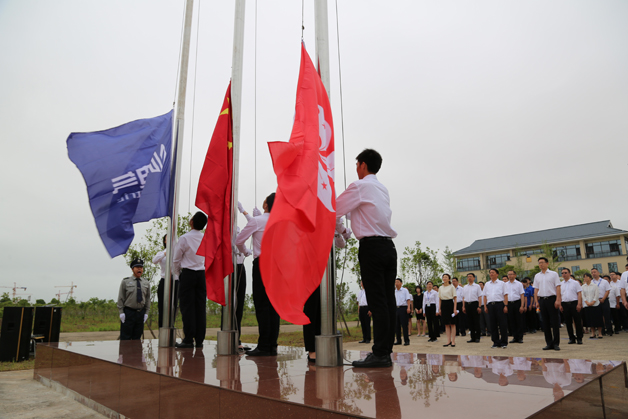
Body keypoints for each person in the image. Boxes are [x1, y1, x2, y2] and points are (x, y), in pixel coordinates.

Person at [336, 149, 398, 368]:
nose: (356, 169)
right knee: (388, 301)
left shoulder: (360, 186)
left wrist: (341, 231)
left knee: (378, 301)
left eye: (356, 165)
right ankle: (385, 351)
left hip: (371, 247)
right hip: (389, 247)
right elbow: (361, 212)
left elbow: (334, 209)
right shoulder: (382, 189)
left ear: (362, 165)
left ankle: (380, 353)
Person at [236, 193, 279, 357]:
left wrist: (246, 251)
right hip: (277, 264)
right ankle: (272, 345)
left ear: (266, 204)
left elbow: (239, 240)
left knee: (262, 304)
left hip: (262, 263)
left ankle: (264, 346)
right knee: (274, 305)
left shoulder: (257, 220)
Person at [173, 211, 208, 349]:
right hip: (201, 274)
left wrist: (178, 274)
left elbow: (176, 259)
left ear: (192, 222)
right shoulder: (206, 238)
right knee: (200, 307)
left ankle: (188, 339)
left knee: (187, 307)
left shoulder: (184, 238)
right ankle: (199, 339)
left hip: (187, 274)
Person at [117, 258, 151, 340]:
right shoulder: (126, 281)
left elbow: (147, 299)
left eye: (141, 267)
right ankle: (125, 353)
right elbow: (121, 298)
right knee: (126, 338)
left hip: (140, 313)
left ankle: (136, 353)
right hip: (129, 313)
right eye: (137, 267)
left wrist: (146, 312)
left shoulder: (146, 283)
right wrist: (121, 312)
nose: (139, 269)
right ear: (132, 269)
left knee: (137, 338)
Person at [534, 257, 562, 351]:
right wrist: (536, 301)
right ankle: (549, 343)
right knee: (545, 323)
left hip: (552, 299)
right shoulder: (537, 275)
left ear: (547, 263)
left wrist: (558, 300)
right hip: (542, 300)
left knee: (554, 322)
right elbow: (536, 289)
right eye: (539, 263)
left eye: (542, 262)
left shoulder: (554, 274)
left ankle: (556, 343)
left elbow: (558, 287)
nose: (540, 264)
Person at [153, 234, 179, 328]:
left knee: (174, 305)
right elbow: (154, 260)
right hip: (164, 281)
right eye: (168, 238)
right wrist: (166, 252)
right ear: (164, 241)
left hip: (175, 281)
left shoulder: (178, 252)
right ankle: (162, 327)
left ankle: (171, 326)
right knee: (162, 305)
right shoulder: (161, 253)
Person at [483, 268, 508, 349]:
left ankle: (504, 342)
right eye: (490, 273)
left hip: (500, 304)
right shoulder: (487, 284)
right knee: (492, 324)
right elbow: (485, 296)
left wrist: (505, 305)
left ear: (497, 274)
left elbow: (505, 295)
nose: (491, 274)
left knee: (502, 324)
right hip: (490, 305)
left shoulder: (502, 283)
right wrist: (485, 306)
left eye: (493, 272)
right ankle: (495, 342)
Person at [560, 268, 583, 345]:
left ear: (569, 273)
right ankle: (571, 338)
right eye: (562, 273)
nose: (564, 274)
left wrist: (579, 304)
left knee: (577, 321)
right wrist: (560, 304)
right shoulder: (561, 284)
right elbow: (560, 295)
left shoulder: (575, 283)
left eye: (565, 272)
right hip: (565, 304)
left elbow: (579, 293)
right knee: (568, 322)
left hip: (574, 303)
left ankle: (579, 338)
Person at [504, 270, 525, 344]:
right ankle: (514, 337)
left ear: (515, 275)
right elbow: (504, 295)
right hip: (509, 303)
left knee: (519, 320)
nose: (510, 276)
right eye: (509, 274)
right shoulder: (505, 284)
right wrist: (505, 305)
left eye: (511, 274)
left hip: (517, 303)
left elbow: (522, 295)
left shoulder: (519, 284)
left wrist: (522, 306)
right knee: (511, 321)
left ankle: (520, 337)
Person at [591, 268, 612, 336]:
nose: (593, 273)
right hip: (596, 301)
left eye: (595, 272)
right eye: (592, 272)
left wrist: (603, 299)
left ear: (598, 273)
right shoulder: (591, 282)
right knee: (598, 316)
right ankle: (602, 331)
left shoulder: (604, 281)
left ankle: (609, 330)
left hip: (604, 300)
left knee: (607, 316)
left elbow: (607, 290)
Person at [438, 274, 457, 347]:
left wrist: (454, 309)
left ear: (449, 279)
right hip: (443, 305)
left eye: (446, 277)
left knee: (452, 323)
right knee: (446, 324)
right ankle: (448, 340)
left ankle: (453, 341)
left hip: (450, 304)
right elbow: (439, 299)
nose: (444, 278)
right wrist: (439, 308)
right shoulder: (440, 288)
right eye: (443, 277)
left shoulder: (452, 287)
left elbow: (455, 298)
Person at [462, 273, 483, 343]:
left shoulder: (477, 286)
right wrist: (463, 306)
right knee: (470, 322)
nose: (469, 278)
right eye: (468, 277)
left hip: (475, 304)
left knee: (476, 321)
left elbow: (480, 297)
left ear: (474, 278)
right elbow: (463, 297)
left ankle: (477, 337)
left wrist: (479, 306)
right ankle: (472, 337)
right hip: (467, 304)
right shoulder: (465, 287)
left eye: (471, 277)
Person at [394, 278, 412, 346]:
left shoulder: (405, 290)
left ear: (401, 283)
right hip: (396, 309)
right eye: (395, 282)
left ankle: (406, 340)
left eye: (398, 282)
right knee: (396, 325)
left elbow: (408, 299)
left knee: (404, 325)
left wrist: (408, 308)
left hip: (403, 308)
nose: (396, 283)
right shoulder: (394, 291)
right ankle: (398, 340)